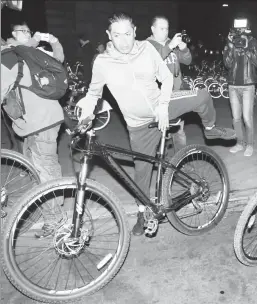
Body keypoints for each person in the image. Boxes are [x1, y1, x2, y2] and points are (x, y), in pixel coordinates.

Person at [76, 12, 236, 236]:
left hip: (163, 107)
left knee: (202, 95)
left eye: (127, 34)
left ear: (135, 32)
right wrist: (86, 115)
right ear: (108, 36)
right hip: (138, 125)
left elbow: (167, 77)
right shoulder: (102, 62)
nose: (123, 40)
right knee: (141, 173)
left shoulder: (146, 49)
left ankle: (210, 129)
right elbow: (93, 94)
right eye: (117, 35)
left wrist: (162, 105)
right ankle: (143, 213)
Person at [2, 21, 65, 238]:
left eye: (28, 31)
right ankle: (50, 209)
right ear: (12, 34)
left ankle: (56, 220)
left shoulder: (13, 56)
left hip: (40, 121)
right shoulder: (27, 52)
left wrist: (52, 41)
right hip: (42, 120)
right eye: (24, 31)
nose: (28, 34)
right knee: (40, 167)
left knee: (44, 170)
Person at [147, 15, 192, 150]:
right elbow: (152, 63)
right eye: (161, 28)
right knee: (157, 133)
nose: (165, 32)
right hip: (158, 98)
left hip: (176, 93)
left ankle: (180, 162)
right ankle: (159, 163)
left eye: (166, 29)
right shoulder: (147, 45)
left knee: (179, 132)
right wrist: (170, 45)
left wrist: (184, 49)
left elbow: (187, 61)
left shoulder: (170, 43)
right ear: (153, 29)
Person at [223, 25, 257, 156]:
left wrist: (247, 49)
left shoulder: (253, 42)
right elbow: (227, 64)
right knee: (236, 118)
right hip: (233, 85)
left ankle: (250, 144)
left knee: (247, 117)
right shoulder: (231, 43)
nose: (239, 33)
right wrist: (230, 46)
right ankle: (240, 143)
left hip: (248, 85)